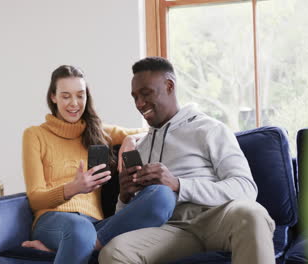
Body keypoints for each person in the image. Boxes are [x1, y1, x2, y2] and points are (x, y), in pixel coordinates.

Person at [99, 57, 276, 264]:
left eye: (146, 93)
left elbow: (246, 188)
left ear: (169, 86)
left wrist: (178, 184)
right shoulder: (141, 147)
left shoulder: (209, 129)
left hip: (216, 217)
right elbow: (132, 218)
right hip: (171, 229)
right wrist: (125, 197)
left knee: (252, 214)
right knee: (114, 252)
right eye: (135, 97)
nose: (139, 104)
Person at [21, 65, 176, 264]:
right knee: (79, 230)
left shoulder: (98, 131)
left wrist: (131, 139)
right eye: (66, 96)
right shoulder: (35, 135)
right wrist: (73, 188)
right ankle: (75, 242)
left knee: (162, 197)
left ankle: (73, 246)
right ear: (53, 97)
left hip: (96, 225)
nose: (74, 103)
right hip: (53, 220)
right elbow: (35, 199)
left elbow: (150, 131)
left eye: (80, 95)